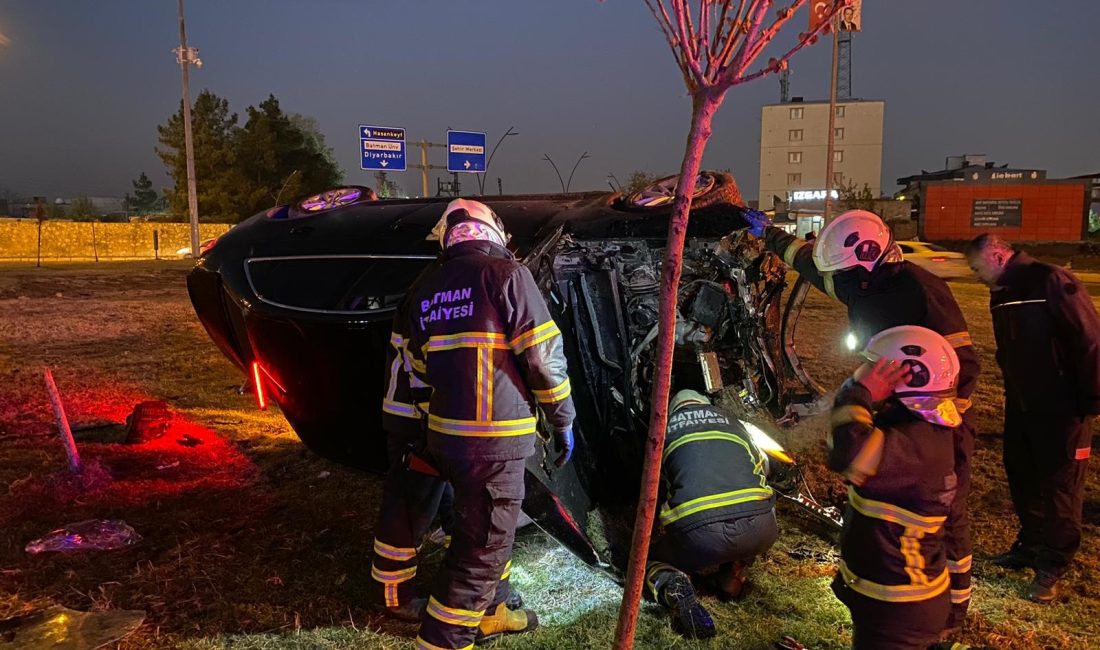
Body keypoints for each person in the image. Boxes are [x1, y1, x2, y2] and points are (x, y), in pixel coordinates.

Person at [746, 209, 979, 628]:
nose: (841, 285)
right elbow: (813, 265)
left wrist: (931, 433)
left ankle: (953, 613)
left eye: (847, 276)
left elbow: (964, 368)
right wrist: (771, 237)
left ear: (868, 261)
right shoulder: (861, 280)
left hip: (937, 417)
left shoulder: (922, 296)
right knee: (880, 495)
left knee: (946, 513)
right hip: (892, 407)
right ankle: (877, 569)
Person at [404, 198, 576, 649]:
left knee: (477, 524)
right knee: (482, 551)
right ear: (493, 233)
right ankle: (442, 639)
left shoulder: (426, 286)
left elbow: (418, 369)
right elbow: (542, 358)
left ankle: (494, 611)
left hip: (447, 439)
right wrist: (562, 419)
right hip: (494, 443)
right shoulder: (507, 276)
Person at [966, 234, 1100, 603]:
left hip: (1062, 407)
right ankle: (1031, 545)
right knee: (1022, 474)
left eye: (977, 267)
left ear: (996, 254)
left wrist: (1089, 398)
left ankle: (1052, 566)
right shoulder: (1002, 292)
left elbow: (1090, 339)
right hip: (1022, 403)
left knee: (1060, 485)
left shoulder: (1051, 280)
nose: (976, 275)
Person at [828, 326, 962, 649]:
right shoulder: (917, 431)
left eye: (877, 369)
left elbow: (849, 454)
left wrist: (858, 390)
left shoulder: (918, 447)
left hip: (899, 610)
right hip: (893, 603)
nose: (867, 374)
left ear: (912, 376)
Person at [644, 389, 778, 640]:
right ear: (705, 405)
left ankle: (671, 582)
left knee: (648, 560)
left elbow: (653, 489)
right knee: (746, 508)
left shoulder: (662, 429)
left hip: (701, 537)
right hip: (762, 529)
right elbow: (764, 467)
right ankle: (733, 573)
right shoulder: (734, 422)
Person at [368, 257, 451, 621]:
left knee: (450, 500)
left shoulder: (439, 280)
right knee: (409, 509)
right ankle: (394, 596)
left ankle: (464, 575)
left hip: (434, 420)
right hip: (414, 420)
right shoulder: (436, 291)